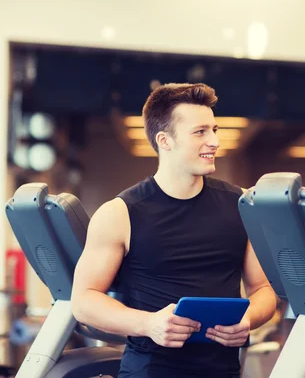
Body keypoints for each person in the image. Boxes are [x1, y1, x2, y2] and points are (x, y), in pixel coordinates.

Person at [71, 83, 277, 378]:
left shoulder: (242, 205)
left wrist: (248, 318)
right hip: (150, 371)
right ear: (165, 141)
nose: (215, 141)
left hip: (224, 371)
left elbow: (264, 290)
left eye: (214, 130)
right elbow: (84, 301)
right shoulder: (120, 213)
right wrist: (149, 324)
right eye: (200, 132)